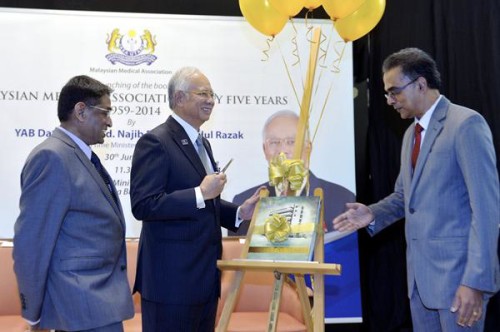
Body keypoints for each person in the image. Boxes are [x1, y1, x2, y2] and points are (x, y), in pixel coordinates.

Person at [333, 47, 500, 331]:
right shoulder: (412, 133)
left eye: (394, 91)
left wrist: (475, 281)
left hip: (459, 280)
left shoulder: (466, 125)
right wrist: (371, 213)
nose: (389, 100)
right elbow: (404, 198)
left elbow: (486, 210)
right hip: (420, 284)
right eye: (387, 93)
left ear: (421, 84)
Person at [130, 66, 261, 331]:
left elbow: (205, 203)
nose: (211, 100)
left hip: (204, 279)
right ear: (179, 98)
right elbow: (144, 204)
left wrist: (238, 213)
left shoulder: (203, 143)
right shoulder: (155, 142)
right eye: (203, 93)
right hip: (172, 284)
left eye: (212, 94)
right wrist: (200, 192)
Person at [13, 75, 135, 332]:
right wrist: (34, 314)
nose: (110, 121)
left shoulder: (79, 155)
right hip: (80, 306)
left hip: (97, 305)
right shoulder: (52, 157)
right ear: (81, 111)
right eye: (105, 112)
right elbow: (31, 242)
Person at [231, 110, 356, 238]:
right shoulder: (243, 203)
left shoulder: (342, 200)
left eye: (291, 142)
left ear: (308, 148)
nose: (282, 150)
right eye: (274, 142)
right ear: (264, 150)